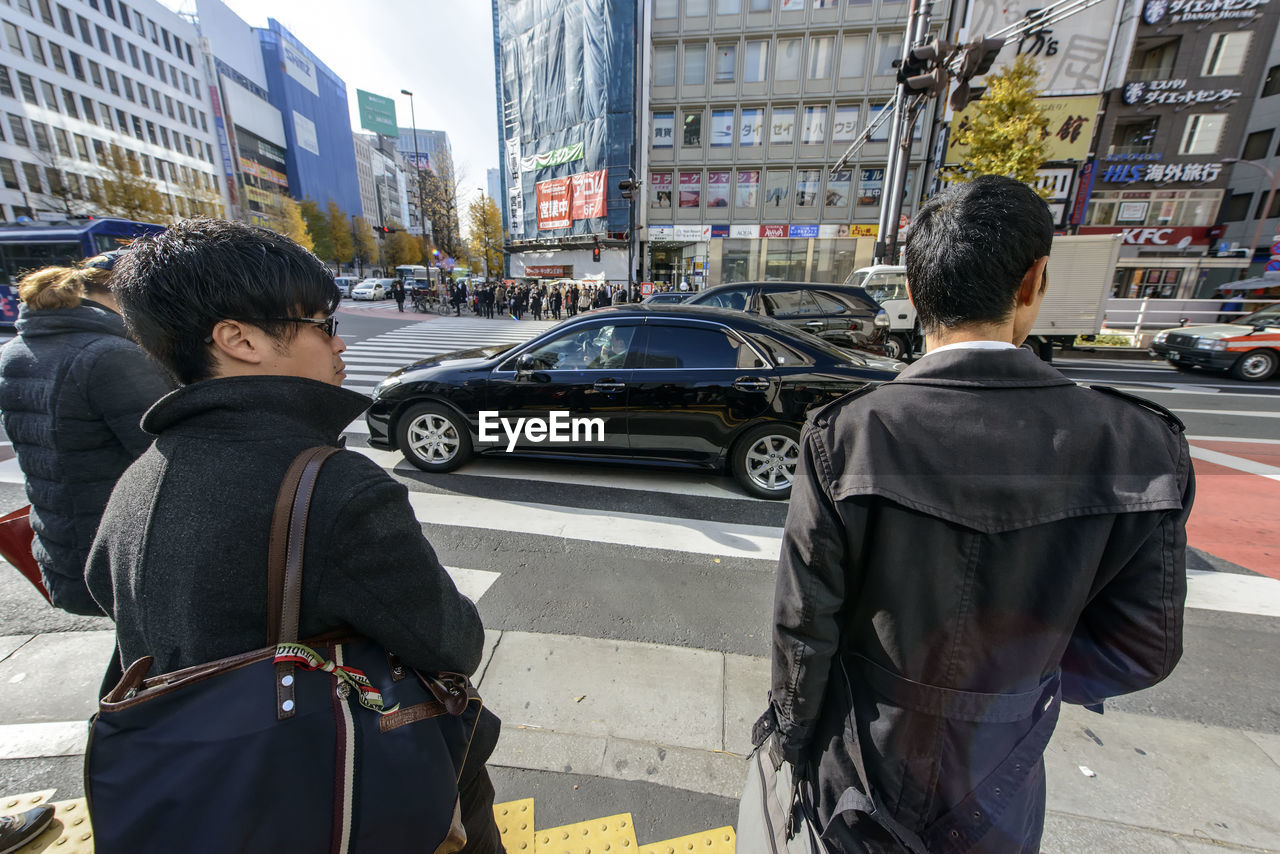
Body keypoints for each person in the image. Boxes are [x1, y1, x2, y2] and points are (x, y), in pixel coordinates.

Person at [764, 175, 1193, 854]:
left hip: (861, 768)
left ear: (913, 291)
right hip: (1002, 776)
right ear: (1034, 281)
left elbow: (803, 631)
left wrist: (789, 740)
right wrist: (1019, 676)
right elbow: (1144, 647)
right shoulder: (1139, 444)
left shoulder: (849, 436)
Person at [85, 219, 501, 852]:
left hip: (204, 796)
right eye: (322, 324)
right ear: (239, 339)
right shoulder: (332, 486)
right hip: (344, 787)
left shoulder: (140, 477)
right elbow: (451, 641)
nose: (340, 346)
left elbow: (111, 604)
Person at [0, 253, 172, 615]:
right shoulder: (110, 355)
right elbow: (167, 453)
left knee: (135, 656)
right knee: (151, 660)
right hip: (118, 554)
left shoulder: (16, 350)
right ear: (128, 296)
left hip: (62, 542)